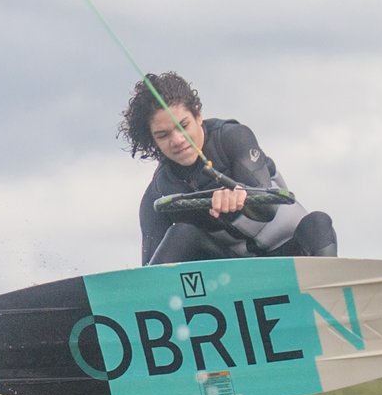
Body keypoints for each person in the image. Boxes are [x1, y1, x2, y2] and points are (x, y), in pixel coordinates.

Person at [118, 72, 338, 266]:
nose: (177, 140)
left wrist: (239, 198)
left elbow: (267, 210)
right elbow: (150, 271)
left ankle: (330, 288)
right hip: (233, 276)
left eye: (183, 126)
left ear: (198, 116)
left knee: (318, 222)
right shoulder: (159, 193)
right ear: (153, 141)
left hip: (291, 254)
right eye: (163, 135)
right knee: (182, 234)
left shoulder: (231, 138)